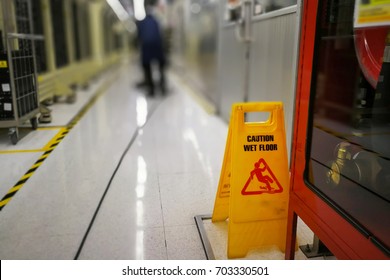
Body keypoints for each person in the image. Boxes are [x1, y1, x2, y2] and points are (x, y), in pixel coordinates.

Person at [135, 2, 167, 96]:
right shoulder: (157, 21)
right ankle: (162, 87)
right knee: (161, 65)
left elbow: (139, 38)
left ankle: (151, 89)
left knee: (146, 66)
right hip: (158, 47)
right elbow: (161, 35)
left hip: (146, 48)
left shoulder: (141, 23)